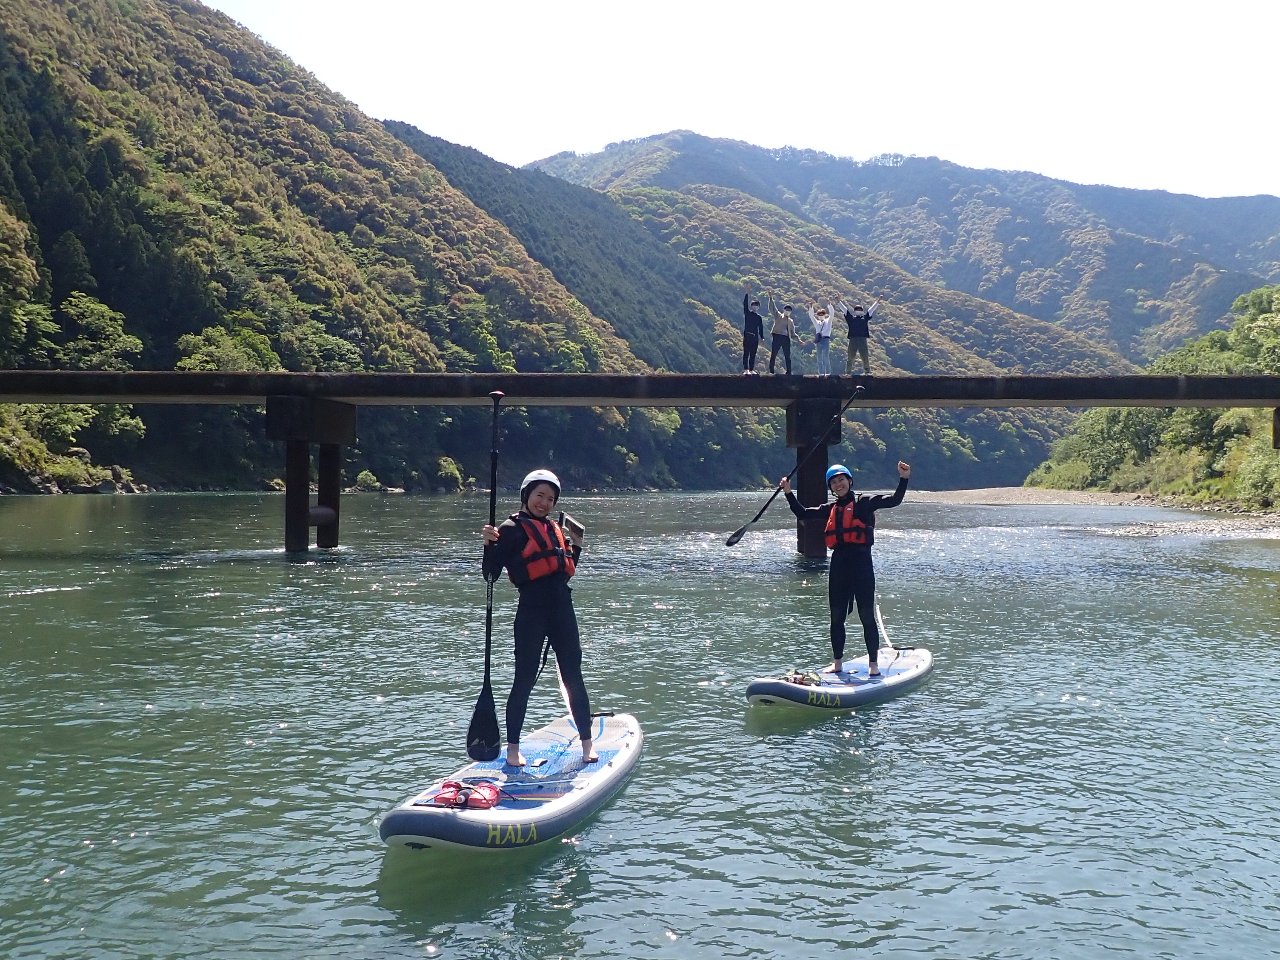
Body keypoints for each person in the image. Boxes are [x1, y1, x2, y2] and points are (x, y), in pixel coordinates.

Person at [482, 469, 596, 766]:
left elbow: (563, 569)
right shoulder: (510, 529)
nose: (544, 503)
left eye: (550, 498)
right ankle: (512, 749)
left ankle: (587, 744)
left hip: (562, 610)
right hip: (531, 611)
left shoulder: (555, 529)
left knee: (574, 676)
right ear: (526, 495)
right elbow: (490, 575)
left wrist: (578, 547)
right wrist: (488, 545)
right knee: (524, 678)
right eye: (539, 496)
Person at [781, 460, 910, 676]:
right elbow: (802, 513)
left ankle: (873, 665)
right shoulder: (831, 509)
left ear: (849, 481)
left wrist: (904, 478)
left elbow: (894, 500)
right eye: (833, 482)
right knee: (837, 616)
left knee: (866, 615)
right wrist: (787, 492)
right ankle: (837, 663)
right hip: (839, 566)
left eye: (841, 479)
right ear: (831, 488)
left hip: (861, 565)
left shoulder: (864, 503)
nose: (838, 484)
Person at [839, 295, 884, 375]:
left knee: (865, 356)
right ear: (854, 311)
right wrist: (839, 302)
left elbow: (871, 310)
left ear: (862, 311)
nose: (858, 311)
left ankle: (867, 371)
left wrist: (877, 301)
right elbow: (844, 310)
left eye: (860, 309)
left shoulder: (865, 317)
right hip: (853, 339)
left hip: (863, 339)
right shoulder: (851, 318)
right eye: (857, 309)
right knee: (850, 357)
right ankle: (848, 372)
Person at [767, 291, 805, 375]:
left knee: (787, 355)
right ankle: (771, 370)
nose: (788, 311)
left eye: (789, 310)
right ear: (784, 310)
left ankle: (789, 371)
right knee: (774, 354)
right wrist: (770, 298)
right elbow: (773, 308)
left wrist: (798, 340)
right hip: (777, 336)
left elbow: (793, 333)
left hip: (786, 339)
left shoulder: (790, 321)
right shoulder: (779, 316)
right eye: (786, 310)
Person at [742, 282, 765, 375]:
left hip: (755, 337)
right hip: (747, 335)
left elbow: (761, 328)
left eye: (757, 305)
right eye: (754, 305)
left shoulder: (759, 317)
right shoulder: (747, 313)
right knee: (746, 353)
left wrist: (762, 337)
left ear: (759, 307)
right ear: (751, 306)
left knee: (753, 354)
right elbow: (744, 305)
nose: (755, 307)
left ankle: (751, 370)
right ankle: (746, 369)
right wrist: (747, 293)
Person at [808, 299, 835, 376]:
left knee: (826, 356)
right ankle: (821, 373)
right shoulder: (817, 323)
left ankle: (828, 373)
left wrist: (829, 305)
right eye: (819, 315)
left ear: (824, 314)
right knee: (819, 357)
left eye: (822, 314)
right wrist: (811, 307)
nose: (820, 316)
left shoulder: (828, 321)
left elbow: (832, 314)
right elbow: (811, 317)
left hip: (826, 339)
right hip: (819, 340)